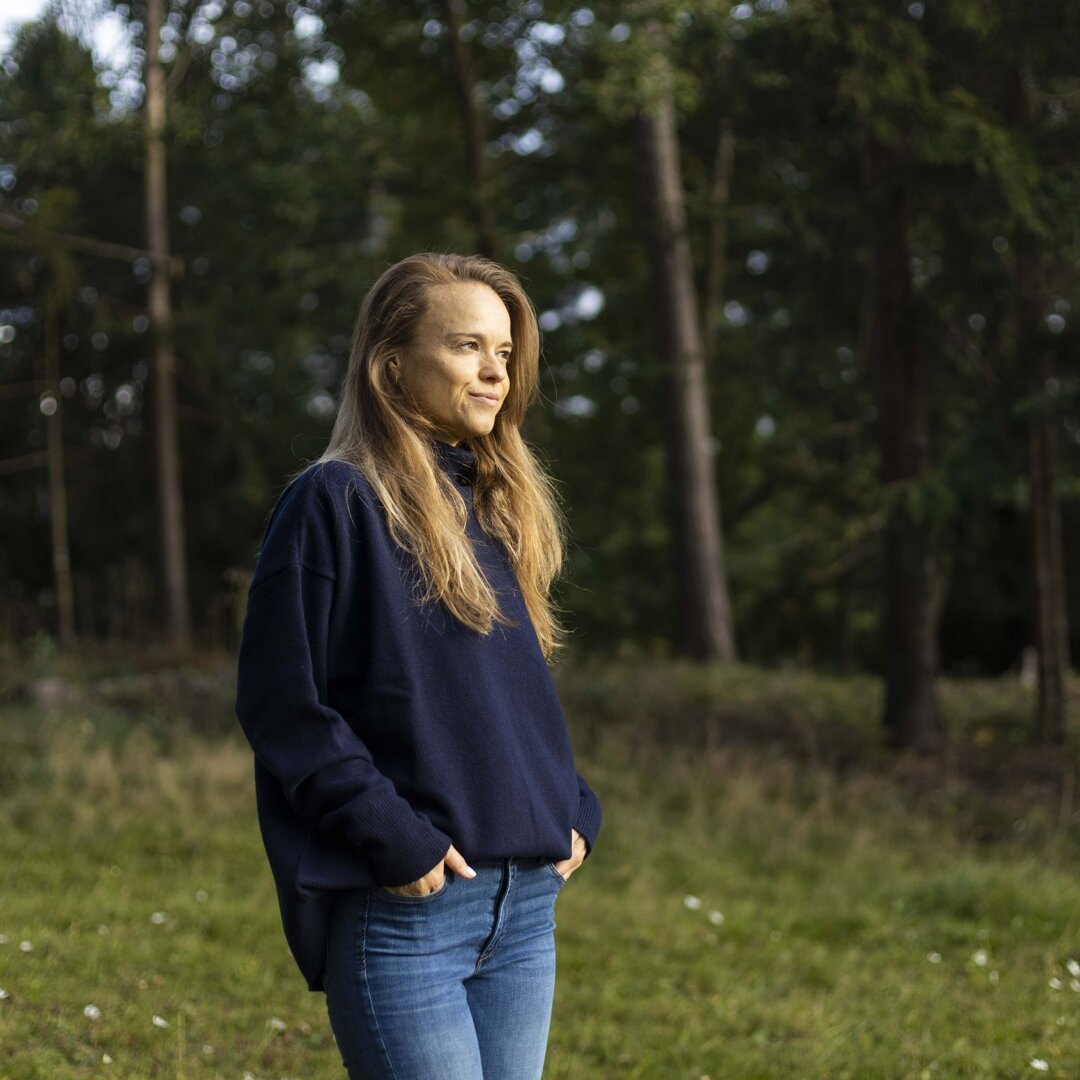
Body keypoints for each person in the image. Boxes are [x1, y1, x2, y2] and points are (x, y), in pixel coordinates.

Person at [234, 252, 602, 1080]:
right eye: (467, 346)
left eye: (504, 352)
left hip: (525, 912)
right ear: (392, 365)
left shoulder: (493, 504)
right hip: (410, 914)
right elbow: (282, 703)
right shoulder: (334, 501)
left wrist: (574, 807)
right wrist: (394, 838)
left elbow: (506, 699)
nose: (496, 371)